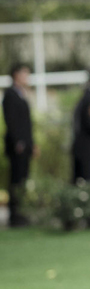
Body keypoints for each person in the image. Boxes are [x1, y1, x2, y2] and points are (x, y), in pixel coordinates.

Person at [3, 63, 36, 227]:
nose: (27, 77)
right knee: (16, 180)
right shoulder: (10, 94)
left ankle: (22, 213)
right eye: (25, 74)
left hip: (26, 145)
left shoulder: (22, 94)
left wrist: (32, 144)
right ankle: (15, 216)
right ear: (16, 75)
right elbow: (12, 122)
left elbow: (27, 123)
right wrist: (19, 142)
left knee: (23, 180)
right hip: (18, 147)